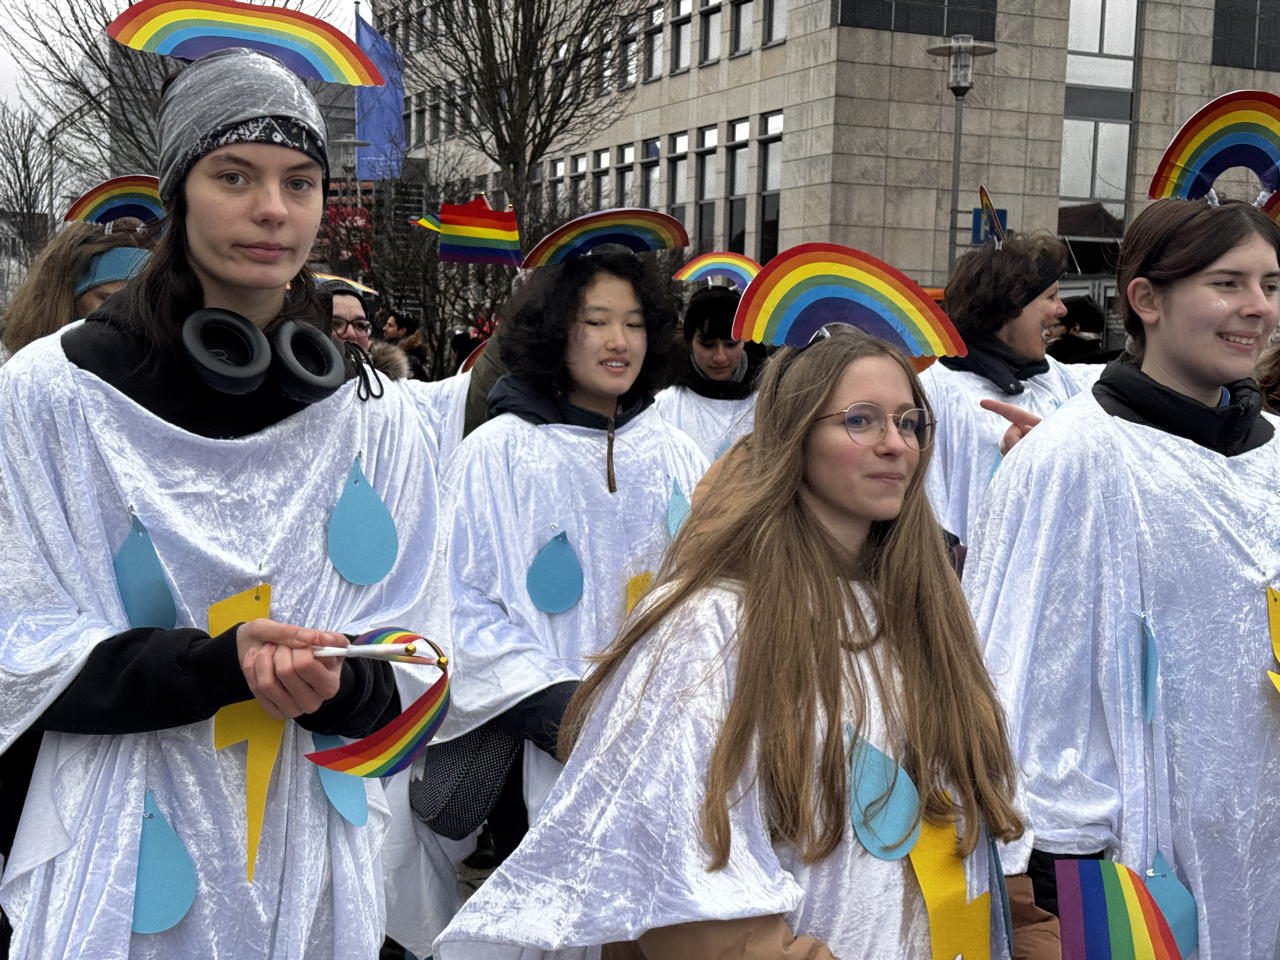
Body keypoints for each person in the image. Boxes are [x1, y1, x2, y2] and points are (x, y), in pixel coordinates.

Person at [0, 48, 443, 959]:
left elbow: (419, 644)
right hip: (126, 835)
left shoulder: (377, 415)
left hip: (313, 836)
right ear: (179, 192)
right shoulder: (51, 392)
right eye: (233, 175)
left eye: (300, 181)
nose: (273, 210)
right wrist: (211, 667)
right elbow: (17, 639)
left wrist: (341, 685)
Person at [433, 325, 1025, 958]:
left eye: (910, 423)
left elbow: (977, 808)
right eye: (860, 420)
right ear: (794, 436)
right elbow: (676, 841)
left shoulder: (927, 606)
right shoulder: (714, 621)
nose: (894, 445)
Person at [965, 198, 1280, 958]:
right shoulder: (1076, 458)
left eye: (1271, 284)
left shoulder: (1275, 456)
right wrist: (1058, 855)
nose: (1257, 309)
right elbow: (1022, 669)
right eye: (1228, 283)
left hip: (1262, 844)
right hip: (1131, 861)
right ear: (1146, 300)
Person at [388, 250, 708, 958]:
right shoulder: (498, 454)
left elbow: (713, 594)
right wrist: (551, 698)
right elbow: (455, 600)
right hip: (537, 735)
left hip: (658, 740)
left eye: (633, 322)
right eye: (596, 321)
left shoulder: (678, 455)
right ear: (558, 330)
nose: (617, 341)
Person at [919, 233, 1098, 544]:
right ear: (1008, 308)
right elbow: (926, 515)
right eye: (1051, 297)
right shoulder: (936, 393)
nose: (1062, 310)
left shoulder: (1053, 376)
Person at [1, 218, 150, 359]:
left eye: (142, 303)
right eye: (108, 300)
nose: (128, 317)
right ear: (67, 298)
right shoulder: (13, 373)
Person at [653, 284, 766, 463]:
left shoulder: (767, 403)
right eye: (708, 345)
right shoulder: (666, 406)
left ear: (745, 341)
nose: (720, 357)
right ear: (690, 342)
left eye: (730, 344)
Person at [383, 308, 428, 380]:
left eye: (390, 326)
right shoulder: (390, 352)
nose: (384, 328)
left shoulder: (411, 362)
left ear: (402, 331)